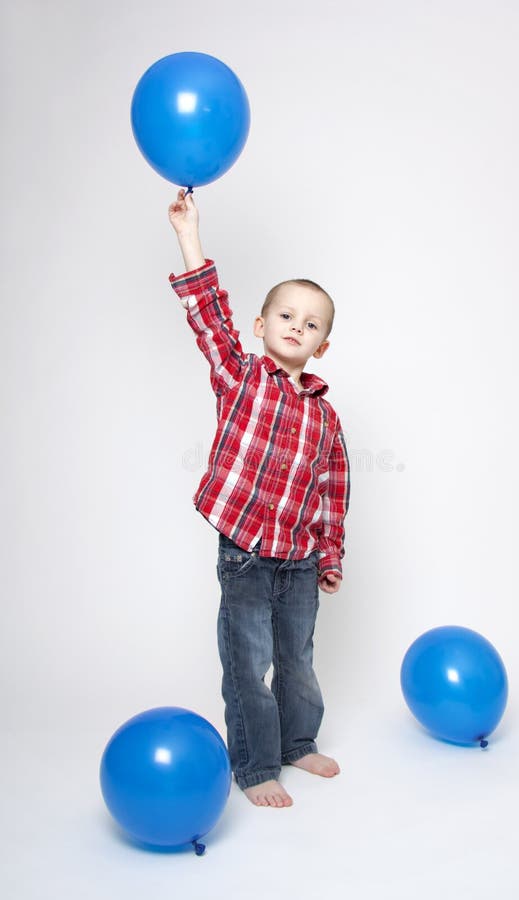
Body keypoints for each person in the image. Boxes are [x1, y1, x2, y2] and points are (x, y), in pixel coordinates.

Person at [167, 189, 350, 808]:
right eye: (286, 316)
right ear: (260, 326)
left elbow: (331, 493)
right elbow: (206, 315)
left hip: (298, 557)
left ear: (321, 345)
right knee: (249, 664)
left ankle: (298, 742)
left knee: (296, 659)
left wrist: (330, 556)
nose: (297, 327)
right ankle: (255, 764)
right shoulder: (238, 376)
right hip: (244, 551)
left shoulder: (325, 417)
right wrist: (190, 236)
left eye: (311, 323)